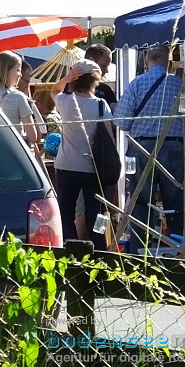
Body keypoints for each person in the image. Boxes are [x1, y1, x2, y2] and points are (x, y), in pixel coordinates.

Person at [114, 44, 185, 239]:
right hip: (175, 147)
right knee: (176, 204)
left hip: (142, 147)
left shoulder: (137, 83)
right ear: (169, 62)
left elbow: (122, 122)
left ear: (147, 61)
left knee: (141, 202)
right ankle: (179, 252)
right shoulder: (181, 84)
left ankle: (139, 250)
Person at [55, 59, 113, 248]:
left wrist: (65, 78)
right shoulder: (101, 105)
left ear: (75, 79)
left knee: (66, 213)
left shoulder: (65, 102)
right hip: (93, 167)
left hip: (67, 165)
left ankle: (71, 251)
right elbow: (109, 137)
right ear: (95, 80)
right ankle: (99, 252)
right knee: (94, 215)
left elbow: (54, 91)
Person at [0, 50, 38, 145]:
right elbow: (33, 136)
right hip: (13, 150)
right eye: (18, 70)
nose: (20, 74)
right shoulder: (18, 97)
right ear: (6, 70)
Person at [51, 44, 116, 109]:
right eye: (104, 66)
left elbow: (55, 92)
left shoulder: (106, 90)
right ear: (90, 61)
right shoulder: (66, 86)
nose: (106, 71)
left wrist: (66, 79)